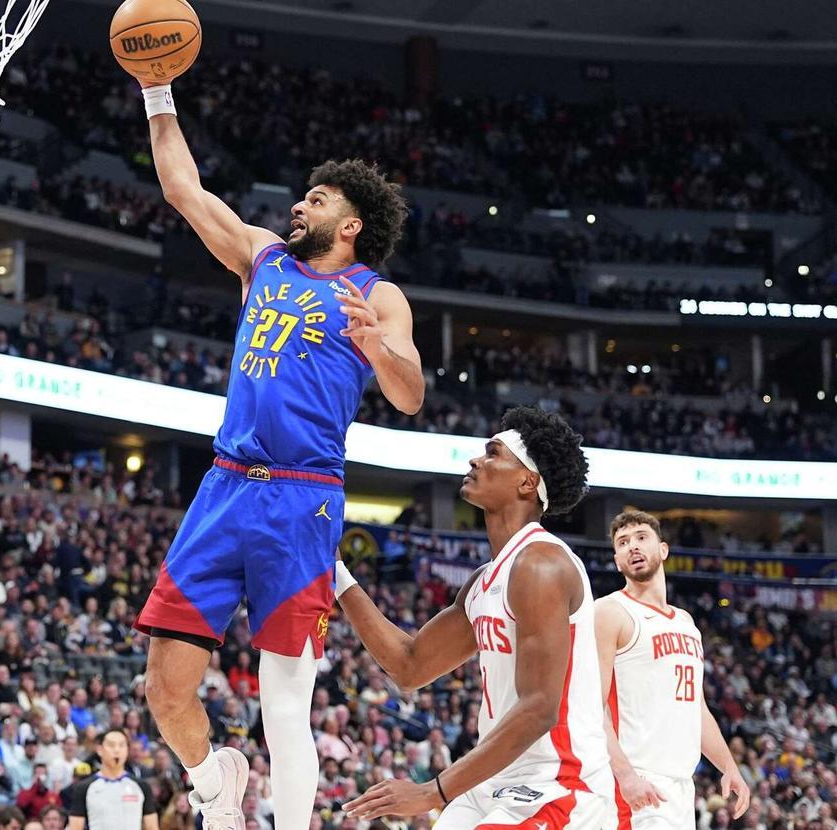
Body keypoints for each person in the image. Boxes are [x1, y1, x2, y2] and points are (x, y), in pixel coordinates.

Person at [126, 62, 423, 830]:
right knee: (164, 688)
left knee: (284, 703)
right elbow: (184, 189)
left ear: (350, 225)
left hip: (302, 497)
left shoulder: (377, 294)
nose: (300, 203)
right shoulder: (262, 257)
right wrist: (157, 91)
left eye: (318, 199)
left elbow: (410, 393)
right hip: (225, 485)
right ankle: (213, 784)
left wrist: (378, 346)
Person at [340, 407, 612, 828]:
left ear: (527, 482)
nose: (476, 460)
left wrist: (432, 792)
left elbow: (540, 707)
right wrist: (335, 574)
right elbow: (410, 666)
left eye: (493, 453)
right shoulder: (485, 581)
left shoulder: (541, 564)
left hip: (557, 783)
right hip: (493, 782)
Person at [596, 511, 751, 829]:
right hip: (636, 782)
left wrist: (728, 766)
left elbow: (696, 708)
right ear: (617, 561)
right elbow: (590, 705)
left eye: (641, 537)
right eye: (623, 542)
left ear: (663, 549)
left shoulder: (686, 623)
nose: (632, 546)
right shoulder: (610, 612)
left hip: (680, 786)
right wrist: (626, 775)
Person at [67, 730, 158, 830]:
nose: (117, 750)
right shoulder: (84, 788)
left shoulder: (141, 786)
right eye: (111, 745)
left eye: (121, 745)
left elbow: (152, 827)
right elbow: (75, 827)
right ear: (100, 750)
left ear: (127, 750)